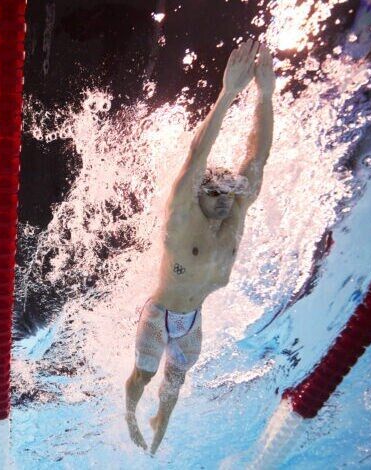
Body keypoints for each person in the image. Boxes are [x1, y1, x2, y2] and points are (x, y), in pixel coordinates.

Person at [125, 39, 275, 454]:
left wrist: (266, 95)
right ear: (199, 194)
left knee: (176, 382)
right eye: (217, 194)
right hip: (160, 315)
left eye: (230, 193)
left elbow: (257, 158)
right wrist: (229, 94)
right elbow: (197, 154)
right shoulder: (184, 217)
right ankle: (130, 416)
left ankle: (158, 427)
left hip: (192, 321)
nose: (226, 200)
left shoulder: (233, 219)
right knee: (143, 376)